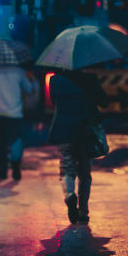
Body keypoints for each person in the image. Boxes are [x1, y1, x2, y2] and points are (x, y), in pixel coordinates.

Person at [47, 68, 108, 224]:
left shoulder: (55, 80)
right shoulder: (90, 79)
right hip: (85, 131)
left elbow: (54, 102)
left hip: (63, 129)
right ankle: (83, 212)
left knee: (66, 167)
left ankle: (69, 195)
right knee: (85, 172)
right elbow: (104, 102)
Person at [0, 63, 38, 180]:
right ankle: (15, 162)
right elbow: (30, 89)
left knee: (0, 143)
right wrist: (32, 79)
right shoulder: (19, 71)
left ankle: (2, 172)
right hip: (15, 114)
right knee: (16, 139)